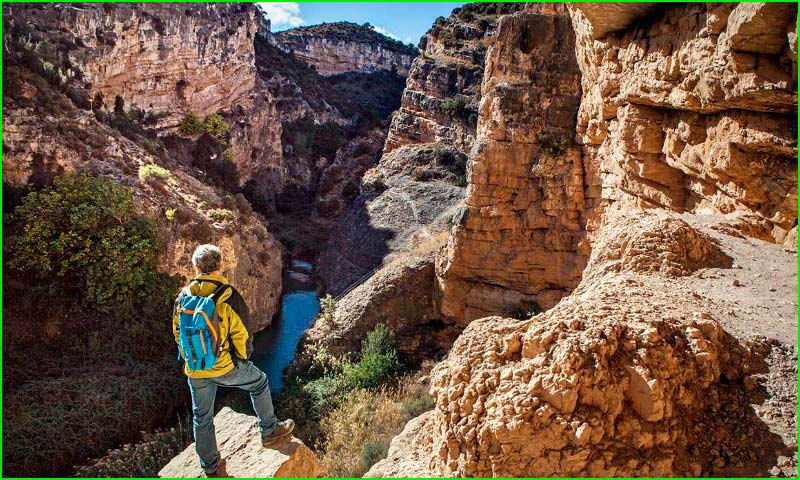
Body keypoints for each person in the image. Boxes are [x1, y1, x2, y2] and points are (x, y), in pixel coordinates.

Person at [173, 244, 294, 476]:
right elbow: (242, 334)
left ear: (196, 267)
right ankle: (269, 431)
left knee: (202, 417)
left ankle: (209, 467)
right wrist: (242, 360)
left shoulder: (183, 296)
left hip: (195, 368)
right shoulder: (228, 296)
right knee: (259, 382)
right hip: (225, 366)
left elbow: (177, 332)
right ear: (220, 266)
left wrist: (192, 358)